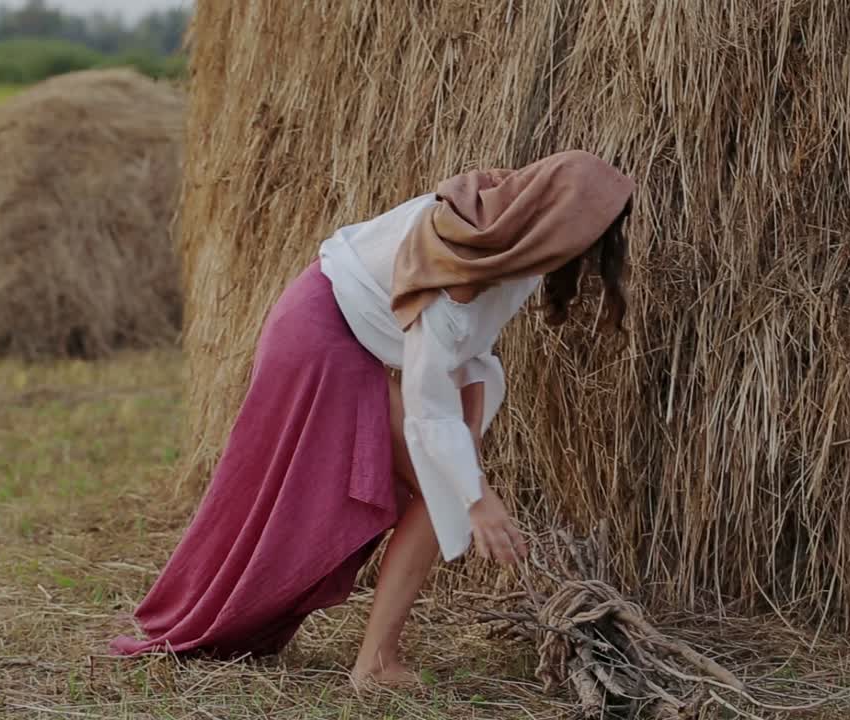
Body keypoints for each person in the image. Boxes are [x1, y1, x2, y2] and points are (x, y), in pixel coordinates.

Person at [110, 149, 636, 686]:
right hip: (324, 337)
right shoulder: (458, 261)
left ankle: (366, 654)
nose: (590, 253)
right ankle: (375, 664)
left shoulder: (506, 228)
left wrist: (469, 455)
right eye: (588, 237)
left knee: (445, 481)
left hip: (335, 327)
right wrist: (477, 496)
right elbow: (431, 395)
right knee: (444, 492)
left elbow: (469, 356)